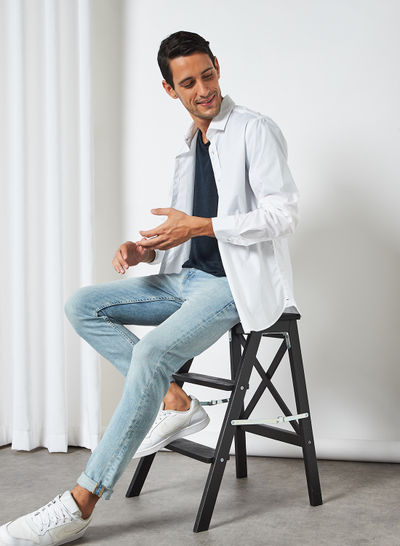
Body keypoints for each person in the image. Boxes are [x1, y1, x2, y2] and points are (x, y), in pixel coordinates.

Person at [0, 30, 299, 545]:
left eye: (208, 75)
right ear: (169, 89)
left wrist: (202, 226)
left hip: (234, 285)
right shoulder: (190, 145)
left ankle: (81, 501)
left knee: (152, 352)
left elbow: (283, 214)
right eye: (189, 83)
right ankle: (176, 401)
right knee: (82, 304)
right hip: (188, 278)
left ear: (218, 67)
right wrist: (148, 251)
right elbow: (184, 229)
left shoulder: (255, 130)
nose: (203, 90)